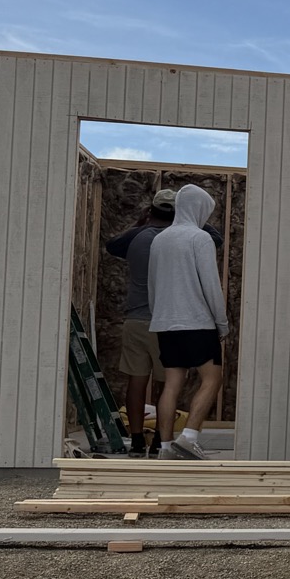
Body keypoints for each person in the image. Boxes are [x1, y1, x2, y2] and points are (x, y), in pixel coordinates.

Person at [149, 184, 231, 461]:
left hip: (165, 322)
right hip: (197, 322)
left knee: (172, 383)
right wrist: (222, 324)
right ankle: (189, 437)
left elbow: (153, 284)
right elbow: (211, 285)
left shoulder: (159, 239)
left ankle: (165, 448)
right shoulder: (200, 239)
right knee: (212, 378)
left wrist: (158, 314)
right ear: (199, 209)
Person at [104, 189, 179, 455]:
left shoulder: (137, 239)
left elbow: (112, 245)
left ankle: (136, 440)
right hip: (166, 324)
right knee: (166, 384)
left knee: (136, 382)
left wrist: (139, 222)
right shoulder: (178, 240)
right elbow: (214, 239)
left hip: (135, 321)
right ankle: (160, 439)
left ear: (151, 211)